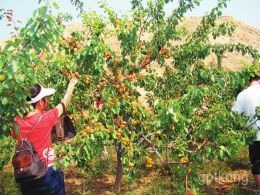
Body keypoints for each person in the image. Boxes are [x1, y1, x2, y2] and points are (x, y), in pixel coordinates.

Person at [11, 76, 78, 195]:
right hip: (47, 173)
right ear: (40, 102)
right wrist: (71, 84)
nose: (47, 101)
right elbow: (64, 104)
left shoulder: (16, 122)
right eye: (45, 99)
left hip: (27, 174)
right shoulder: (46, 117)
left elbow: (18, 137)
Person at [232, 74, 260, 189]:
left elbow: (234, 116)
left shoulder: (243, 95)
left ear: (249, 80)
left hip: (254, 136)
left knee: (258, 165)